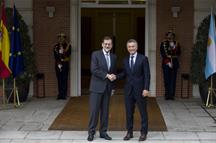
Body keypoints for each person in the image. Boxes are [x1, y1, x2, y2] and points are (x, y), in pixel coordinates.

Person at [117, 39, 150, 141]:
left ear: (137, 47)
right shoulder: (125, 60)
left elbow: (147, 75)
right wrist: (116, 76)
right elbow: (124, 73)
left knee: (143, 112)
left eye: (133, 46)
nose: (131, 48)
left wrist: (146, 88)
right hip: (128, 91)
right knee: (129, 112)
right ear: (127, 48)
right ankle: (129, 132)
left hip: (140, 90)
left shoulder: (143, 59)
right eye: (129, 47)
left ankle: (143, 133)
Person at [87, 36, 117, 141]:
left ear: (112, 45)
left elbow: (113, 71)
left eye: (109, 44)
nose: (107, 45)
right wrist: (107, 75)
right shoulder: (95, 54)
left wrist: (113, 87)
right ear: (102, 44)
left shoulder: (114, 57)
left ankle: (103, 132)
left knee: (105, 112)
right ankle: (91, 132)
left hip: (108, 88)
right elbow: (94, 70)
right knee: (94, 111)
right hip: (96, 88)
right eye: (105, 44)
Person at [160, 31, 181, 100]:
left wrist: (174, 47)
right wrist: (168, 62)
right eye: (169, 35)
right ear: (167, 36)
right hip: (166, 63)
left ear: (173, 36)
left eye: (171, 35)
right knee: (166, 79)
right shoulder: (163, 43)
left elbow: (179, 53)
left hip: (174, 62)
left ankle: (172, 95)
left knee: (173, 79)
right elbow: (162, 53)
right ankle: (167, 95)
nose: (170, 36)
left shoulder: (176, 43)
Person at [53, 33, 71, 100]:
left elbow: (68, 55)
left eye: (63, 37)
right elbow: (55, 56)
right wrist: (58, 62)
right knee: (59, 79)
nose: (61, 39)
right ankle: (60, 94)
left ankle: (64, 95)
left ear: (65, 38)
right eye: (60, 37)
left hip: (65, 64)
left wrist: (63, 51)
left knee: (64, 79)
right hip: (58, 64)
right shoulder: (56, 47)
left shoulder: (68, 46)